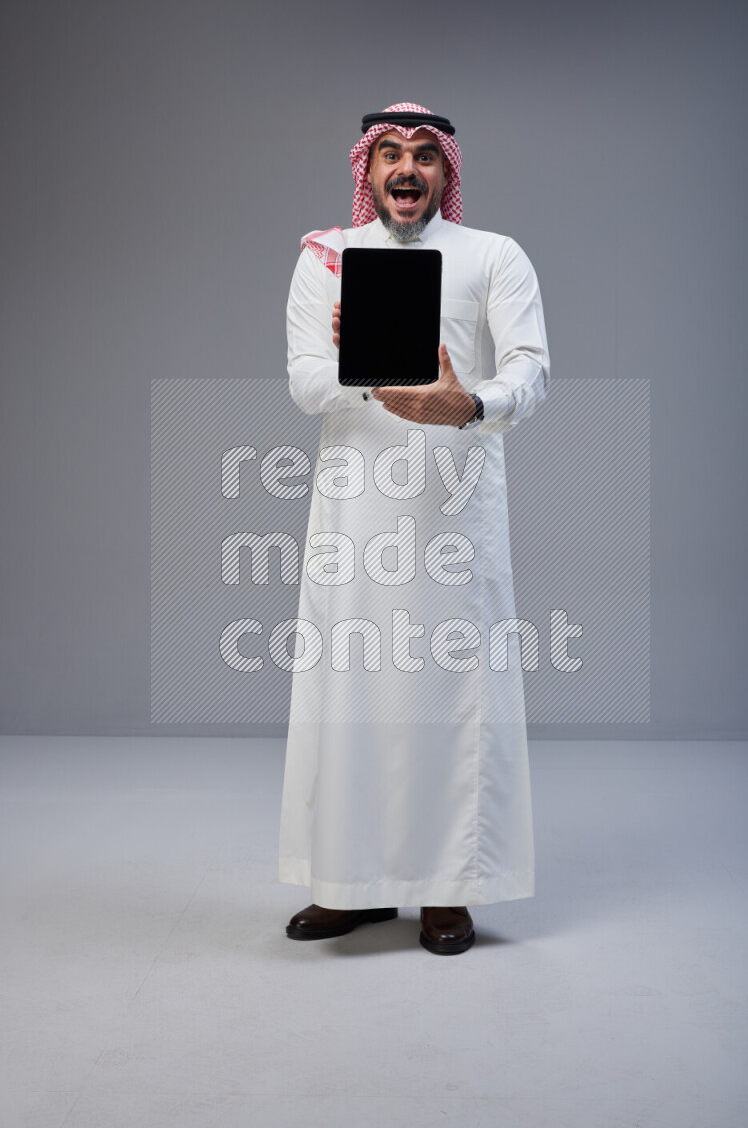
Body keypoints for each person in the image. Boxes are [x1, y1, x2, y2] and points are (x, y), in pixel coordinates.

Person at [278, 102, 550, 955]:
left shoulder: (494, 255)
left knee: (448, 694)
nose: (407, 168)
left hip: (454, 509)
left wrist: (467, 404)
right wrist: (370, 366)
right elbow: (305, 382)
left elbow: (532, 371)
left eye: (425, 155)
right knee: (352, 693)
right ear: (367, 170)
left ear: (445, 172)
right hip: (357, 510)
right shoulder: (327, 257)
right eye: (390, 153)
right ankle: (349, 884)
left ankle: (445, 889)